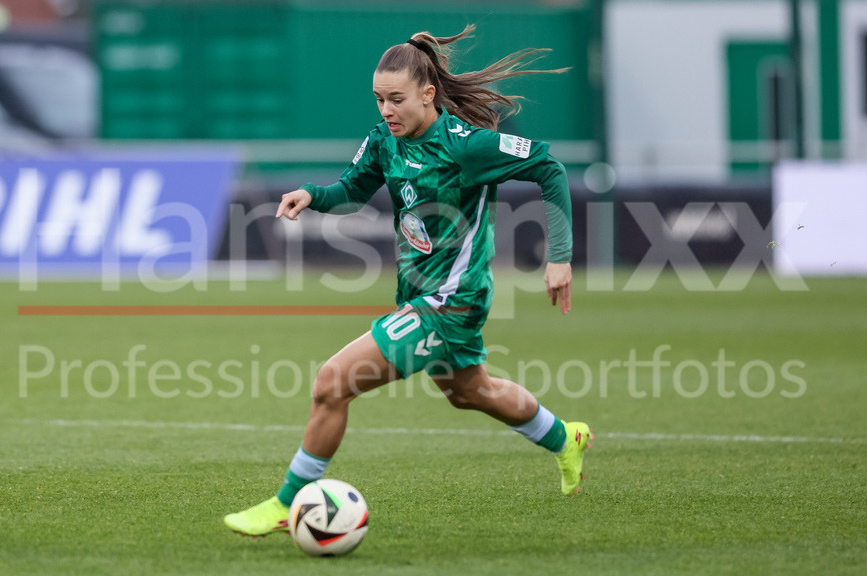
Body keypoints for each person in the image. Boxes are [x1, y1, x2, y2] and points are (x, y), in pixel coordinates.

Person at [225, 25, 593, 537]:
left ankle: (287, 503)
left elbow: (549, 166)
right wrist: (312, 194)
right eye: (379, 100)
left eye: (396, 99)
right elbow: (353, 190)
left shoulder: (466, 147)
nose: (386, 110)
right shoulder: (385, 140)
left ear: (428, 93)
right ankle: (565, 438)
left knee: (333, 382)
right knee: (471, 392)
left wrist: (560, 256)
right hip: (420, 294)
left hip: (452, 302)